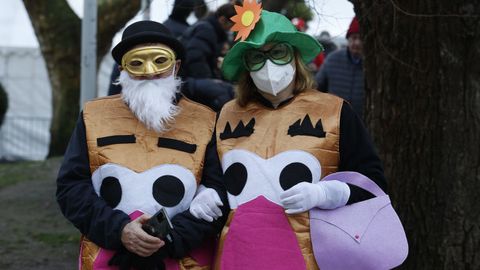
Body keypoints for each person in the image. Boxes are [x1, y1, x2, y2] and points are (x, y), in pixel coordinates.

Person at [192, 4, 387, 269]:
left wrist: (326, 193)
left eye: (278, 52)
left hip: (309, 257)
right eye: (257, 57)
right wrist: (207, 193)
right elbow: (217, 180)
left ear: (295, 57)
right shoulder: (228, 114)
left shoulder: (335, 112)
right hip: (238, 255)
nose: (268, 65)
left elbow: (372, 183)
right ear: (246, 66)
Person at [56, 20, 228, 270]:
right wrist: (120, 230)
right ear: (123, 68)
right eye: (137, 62)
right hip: (109, 256)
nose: (150, 72)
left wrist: (171, 237)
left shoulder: (206, 120)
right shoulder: (94, 116)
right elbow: (71, 187)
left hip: (183, 260)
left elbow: (220, 191)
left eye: (160, 60)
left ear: (176, 65)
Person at [315, 17, 365, 119]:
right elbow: (317, 87)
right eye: (354, 37)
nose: (357, 43)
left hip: (362, 125)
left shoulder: (372, 64)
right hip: (334, 121)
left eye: (361, 38)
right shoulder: (332, 59)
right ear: (348, 38)